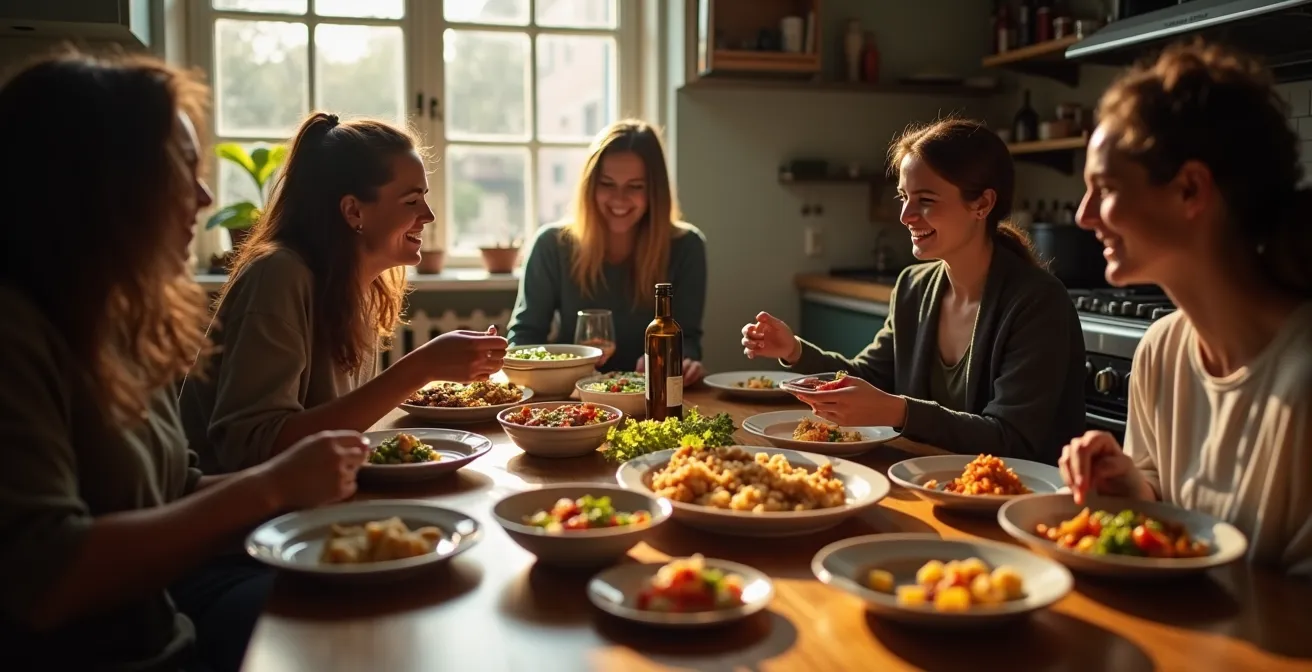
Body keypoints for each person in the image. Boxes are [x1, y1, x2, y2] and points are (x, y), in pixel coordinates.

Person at [0, 52, 368, 672]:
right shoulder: (16, 333)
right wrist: (275, 484)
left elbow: (179, 490)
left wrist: (317, 482)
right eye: (182, 169)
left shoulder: (113, 324)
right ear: (93, 180)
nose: (202, 197)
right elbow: (48, 577)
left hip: (168, 633)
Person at [1059, 41, 1312, 575]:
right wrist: (1127, 484)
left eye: (1104, 188)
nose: (1084, 217)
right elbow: (1170, 519)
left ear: (1190, 189)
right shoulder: (1162, 350)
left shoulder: (1303, 380)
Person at [742, 118, 1085, 464]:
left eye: (926, 200)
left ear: (982, 204)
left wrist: (899, 411)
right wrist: (795, 350)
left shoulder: (1037, 302)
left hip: (1019, 503)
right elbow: (870, 379)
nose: (905, 215)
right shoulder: (913, 287)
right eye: (904, 197)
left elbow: (1010, 438)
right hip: (930, 481)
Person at [180, 112, 507, 474]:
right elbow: (252, 450)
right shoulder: (278, 275)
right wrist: (420, 368)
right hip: (233, 520)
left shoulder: (361, 285)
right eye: (411, 201)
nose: (428, 215)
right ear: (353, 211)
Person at [507, 119, 708, 384]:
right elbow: (524, 338)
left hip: (650, 395)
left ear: (654, 192)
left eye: (635, 186)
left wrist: (681, 361)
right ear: (590, 186)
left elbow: (688, 338)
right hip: (571, 397)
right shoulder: (551, 245)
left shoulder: (687, 246)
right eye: (607, 184)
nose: (619, 199)